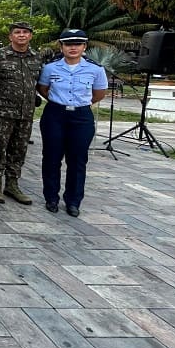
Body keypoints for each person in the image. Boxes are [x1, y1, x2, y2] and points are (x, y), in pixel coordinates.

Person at [37, 29, 107, 217]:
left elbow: (99, 93)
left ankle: (73, 201)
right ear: (61, 47)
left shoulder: (96, 69)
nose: (73, 48)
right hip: (55, 114)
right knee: (51, 157)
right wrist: (59, 102)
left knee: (77, 160)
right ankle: (51, 197)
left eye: (77, 44)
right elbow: (43, 89)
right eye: (68, 44)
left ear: (84, 46)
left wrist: (79, 105)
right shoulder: (50, 68)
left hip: (81, 117)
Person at [0, 21, 43, 205]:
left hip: (26, 113)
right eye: (17, 32)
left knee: (19, 150)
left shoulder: (36, 58)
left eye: (25, 32)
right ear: (10, 36)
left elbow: (38, 83)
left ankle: (12, 184)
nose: (21, 35)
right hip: (3, 113)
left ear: (30, 36)